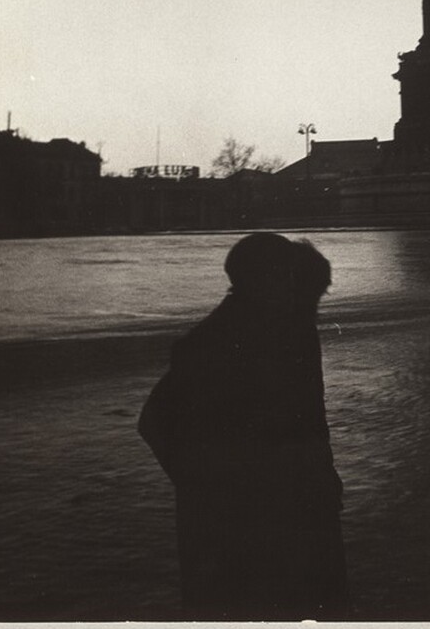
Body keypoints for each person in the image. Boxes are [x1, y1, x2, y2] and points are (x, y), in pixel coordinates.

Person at [138, 232, 347, 620]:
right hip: (262, 514)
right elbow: (154, 421)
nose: (299, 289)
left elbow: (155, 423)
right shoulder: (223, 342)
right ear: (264, 279)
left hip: (262, 511)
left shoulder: (271, 329)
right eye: (287, 277)